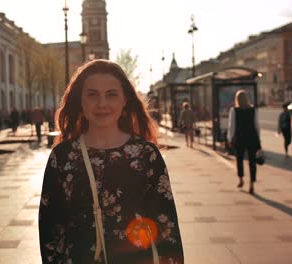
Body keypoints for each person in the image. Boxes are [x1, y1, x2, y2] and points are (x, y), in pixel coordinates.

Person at [39, 60, 184, 263]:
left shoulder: (146, 155)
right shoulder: (62, 157)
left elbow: (167, 226)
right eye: (92, 94)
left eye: (111, 94)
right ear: (80, 100)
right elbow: (50, 231)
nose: (102, 104)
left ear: (125, 99)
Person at [227, 90, 262, 195]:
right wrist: (258, 140)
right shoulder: (253, 110)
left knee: (240, 159)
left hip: (240, 138)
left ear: (237, 99)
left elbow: (231, 126)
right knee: (252, 162)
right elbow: (257, 126)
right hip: (252, 138)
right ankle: (251, 184)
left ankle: (241, 179)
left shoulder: (234, 110)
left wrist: (230, 138)